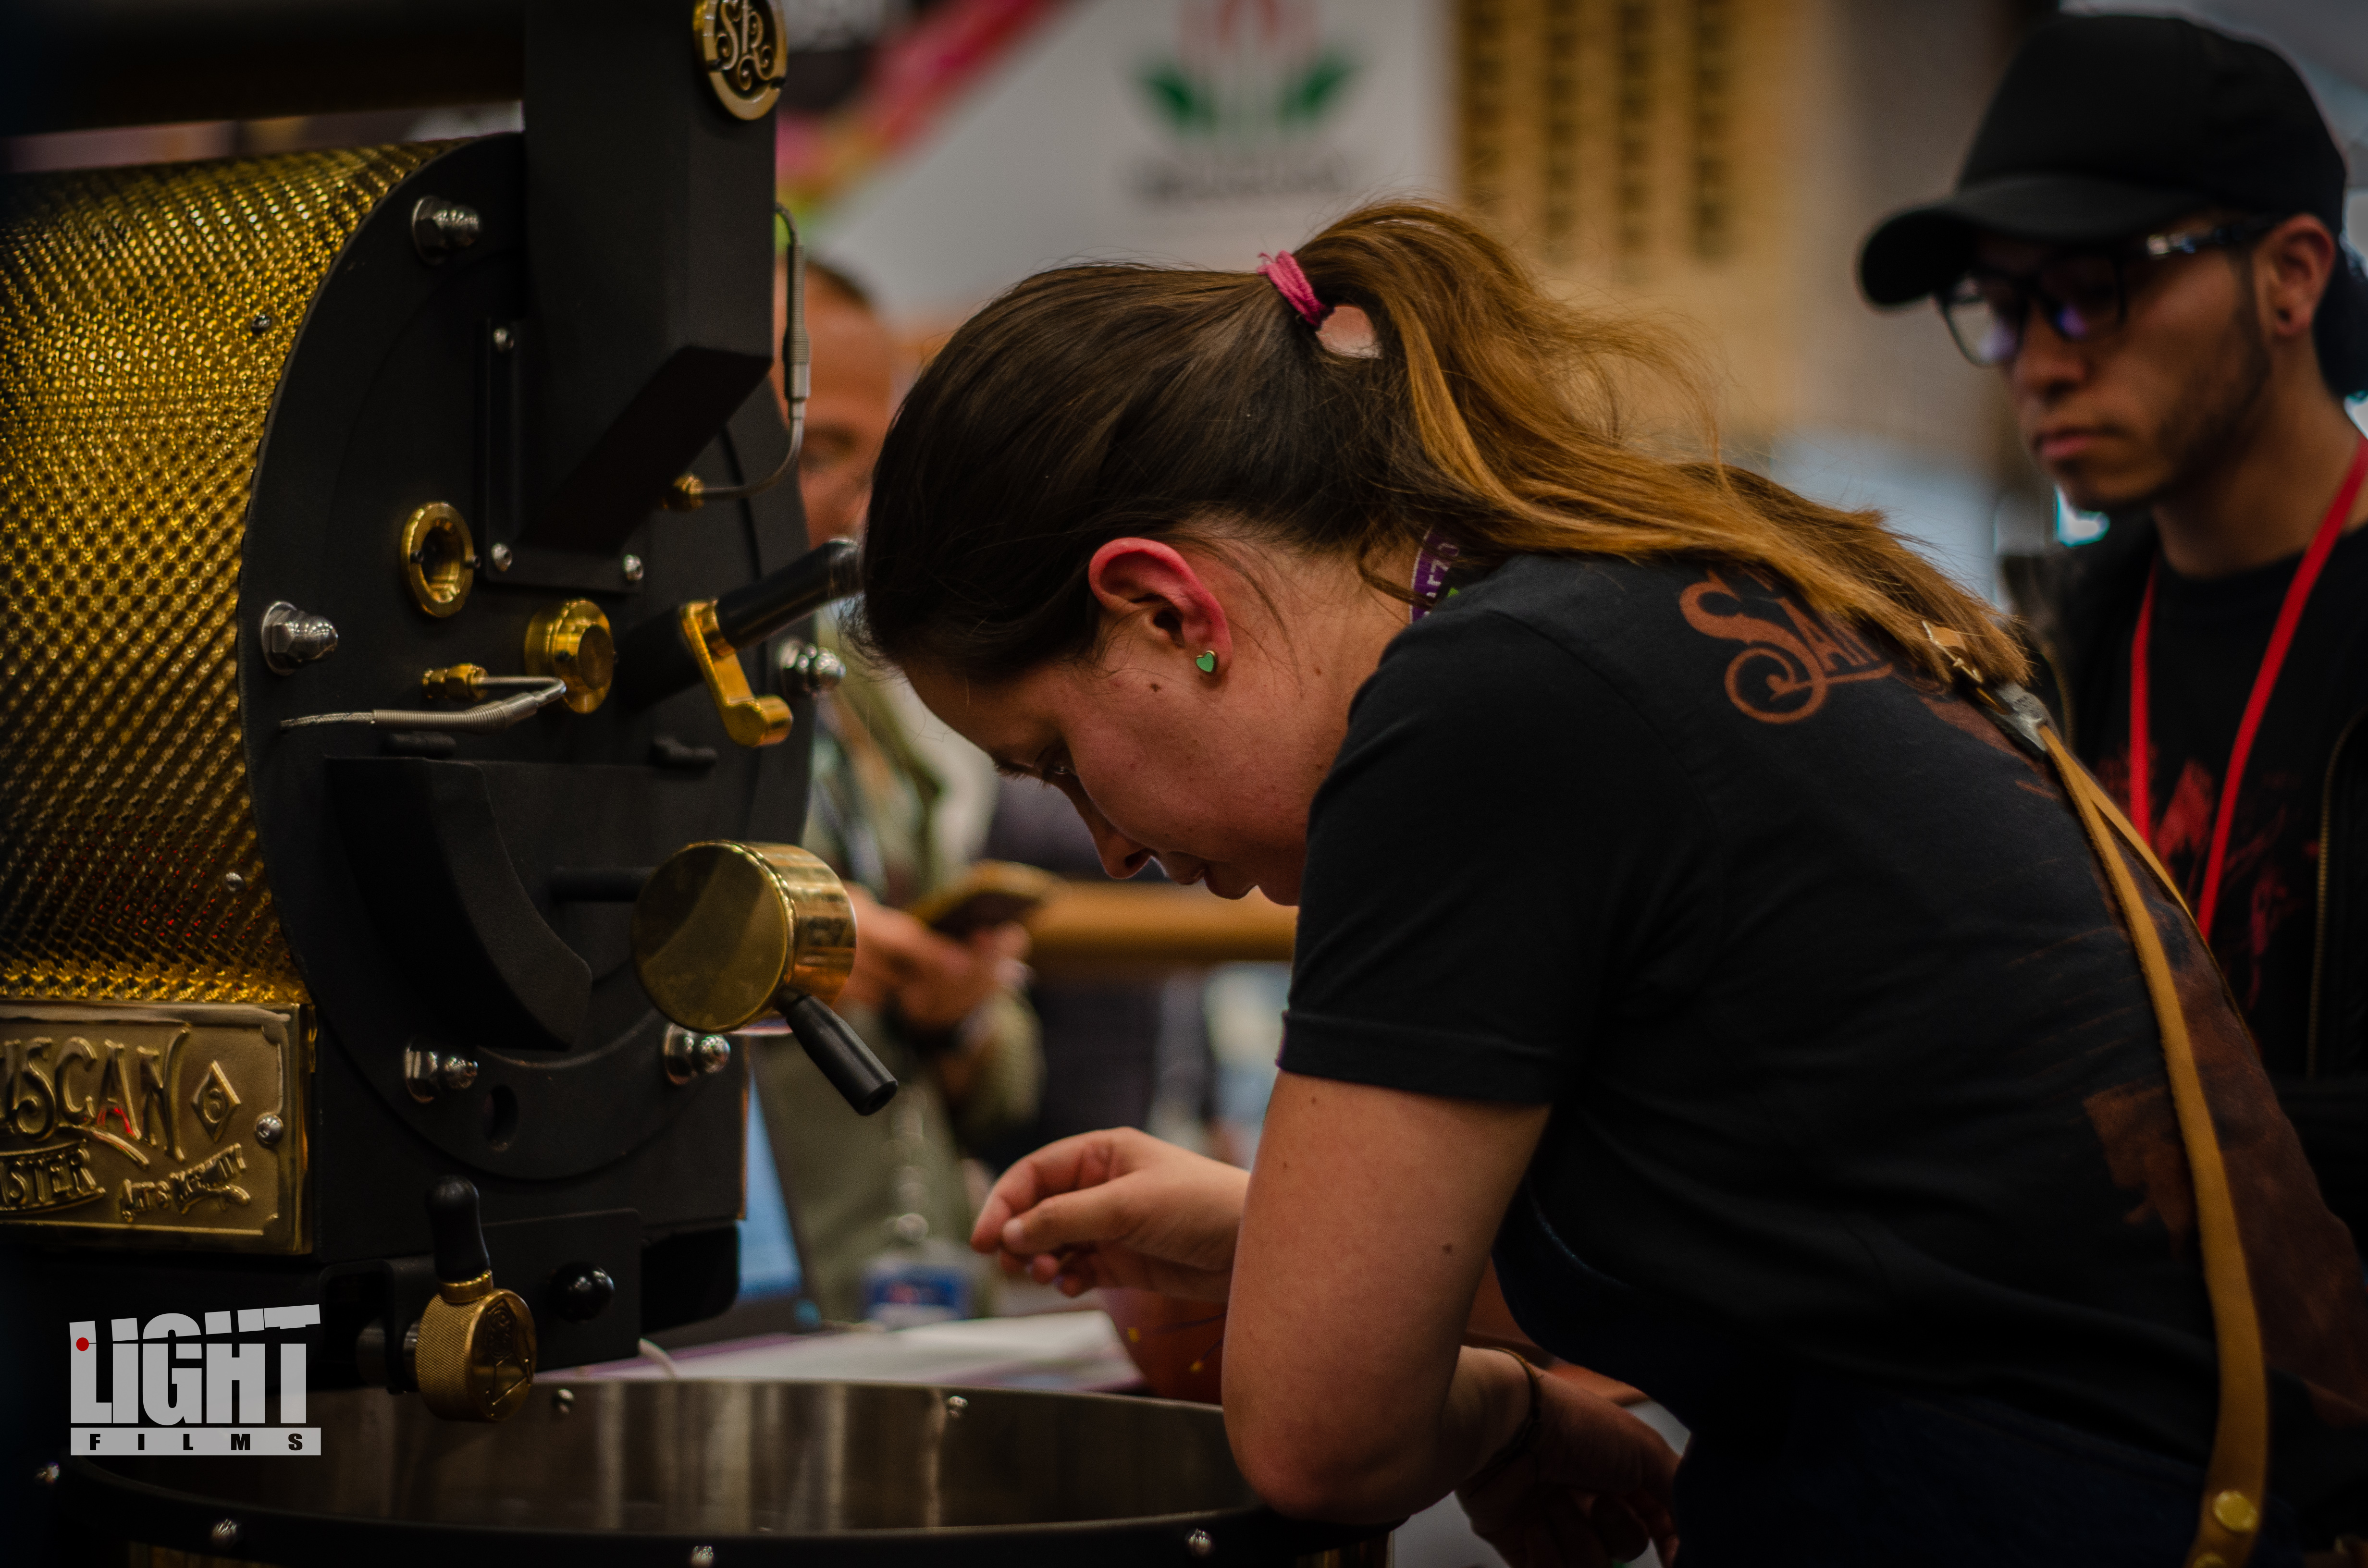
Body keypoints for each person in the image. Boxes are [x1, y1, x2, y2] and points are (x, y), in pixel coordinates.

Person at [848, 201, 2368, 1564]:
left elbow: (1321, 1441)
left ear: (1166, 607)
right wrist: (1269, 1228)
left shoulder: (1472, 706)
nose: (1109, 848)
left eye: (1056, 758)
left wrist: (1509, 1418)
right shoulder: (1642, 606)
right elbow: (1820, 1244)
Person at [1858, 14, 2368, 1255]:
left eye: (2093, 291)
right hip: (2121, 1386)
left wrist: (2055, 1138)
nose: (2036, 363)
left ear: (2292, 276)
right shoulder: (2044, 650)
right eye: (2000, 306)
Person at [747, 258, 1042, 1323]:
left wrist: (960, 1008)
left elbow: (1008, 1074)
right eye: (820, 454)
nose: (858, 516)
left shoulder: (864, 686)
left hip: (902, 1297)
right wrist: (766, 937)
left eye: (872, 469)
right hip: (708, 1315)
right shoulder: (592, 698)